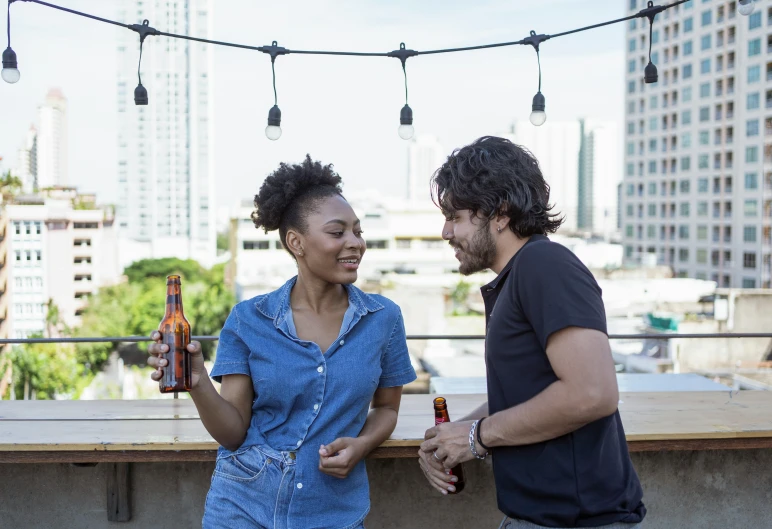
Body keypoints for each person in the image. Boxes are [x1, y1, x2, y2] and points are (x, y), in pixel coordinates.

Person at [147, 155, 417, 529]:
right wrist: (196, 381)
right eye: (338, 233)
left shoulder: (383, 319)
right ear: (296, 242)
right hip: (242, 503)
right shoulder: (248, 319)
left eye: (358, 231)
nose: (355, 243)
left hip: (333, 510)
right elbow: (233, 431)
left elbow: (387, 409)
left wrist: (362, 445)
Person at [417, 136, 646, 528]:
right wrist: (454, 436)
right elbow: (531, 391)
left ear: (500, 213)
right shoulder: (518, 276)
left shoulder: (543, 264)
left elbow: (593, 393)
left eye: (455, 216)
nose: (445, 232)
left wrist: (476, 436)